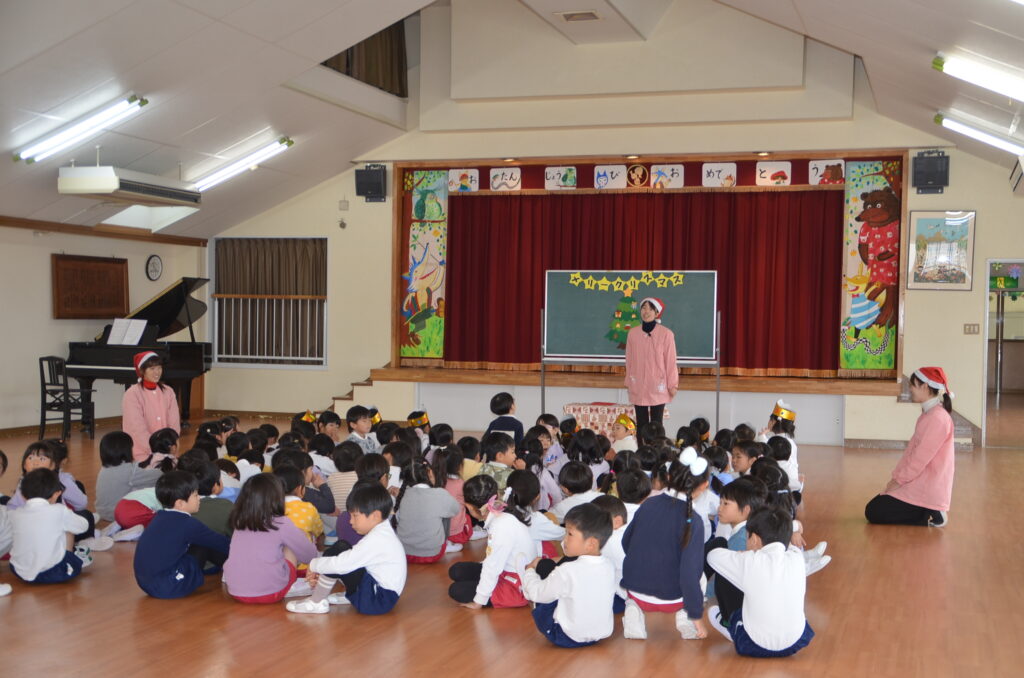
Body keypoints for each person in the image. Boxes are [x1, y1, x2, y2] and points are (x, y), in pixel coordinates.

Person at [706, 506, 815, 657]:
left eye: (747, 537)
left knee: (725, 576)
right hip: (796, 643)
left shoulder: (750, 560)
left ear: (755, 539)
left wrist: (741, 554)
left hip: (752, 645)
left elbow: (713, 556)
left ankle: (730, 627)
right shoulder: (796, 557)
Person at [620, 456, 709, 641]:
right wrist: (696, 614)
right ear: (704, 485)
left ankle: (632, 608)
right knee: (699, 575)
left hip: (636, 591)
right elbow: (689, 572)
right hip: (674, 599)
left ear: (668, 475)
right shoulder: (694, 520)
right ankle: (686, 616)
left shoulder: (648, 505)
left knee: (637, 589)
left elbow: (625, 542)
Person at [287, 483, 407, 615]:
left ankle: (316, 602)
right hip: (381, 595)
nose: (351, 521)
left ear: (375, 516)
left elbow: (342, 565)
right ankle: (349, 595)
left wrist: (314, 564)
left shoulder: (377, 540)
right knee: (342, 550)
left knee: (339, 553)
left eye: (355, 516)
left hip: (375, 601)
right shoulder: (383, 531)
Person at [865, 367, 956, 527]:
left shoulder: (937, 418)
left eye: (913, 385)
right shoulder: (930, 414)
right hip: (916, 482)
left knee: (873, 511)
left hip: (926, 488)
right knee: (874, 508)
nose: (910, 390)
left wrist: (899, 481)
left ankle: (930, 511)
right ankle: (925, 510)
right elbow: (911, 453)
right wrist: (896, 478)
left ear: (925, 387)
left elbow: (919, 459)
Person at [521, 503, 616, 648]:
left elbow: (537, 593)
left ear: (591, 544)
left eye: (570, 534)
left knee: (540, 595)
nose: (564, 540)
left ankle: (526, 582)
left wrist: (528, 572)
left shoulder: (567, 570)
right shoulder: (609, 566)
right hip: (600, 634)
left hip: (565, 636)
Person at [222, 473, 318, 603]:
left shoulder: (240, 523)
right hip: (272, 592)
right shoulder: (281, 522)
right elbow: (309, 556)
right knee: (291, 542)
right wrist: (305, 536)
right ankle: (291, 583)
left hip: (235, 590)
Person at [132, 471, 230, 599]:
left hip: (147, 584)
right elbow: (223, 544)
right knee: (205, 544)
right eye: (195, 495)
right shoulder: (188, 524)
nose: (199, 499)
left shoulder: (159, 517)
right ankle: (235, 571)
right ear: (180, 503)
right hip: (169, 586)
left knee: (201, 542)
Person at [447, 474, 538, 608]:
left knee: (456, 590)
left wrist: (479, 600)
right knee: (456, 570)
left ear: (470, 507)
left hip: (516, 583)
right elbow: (494, 561)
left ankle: (489, 592)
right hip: (505, 570)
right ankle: (486, 586)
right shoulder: (501, 515)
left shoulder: (500, 525)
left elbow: (493, 566)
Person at [8, 469, 90, 584]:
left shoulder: (16, 513)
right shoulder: (59, 510)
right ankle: (72, 556)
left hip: (18, 571)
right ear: (57, 494)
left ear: (23, 495)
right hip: (53, 572)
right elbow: (83, 526)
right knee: (69, 529)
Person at [95, 431, 163, 539]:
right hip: (117, 513)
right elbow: (157, 476)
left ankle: (118, 526)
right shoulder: (129, 470)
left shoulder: (104, 468)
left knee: (136, 486)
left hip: (102, 511)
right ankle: (130, 530)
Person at [624, 297, 678, 430]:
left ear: (656, 312)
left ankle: (658, 451)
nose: (646, 311)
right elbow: (629, 360)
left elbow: (671, 361)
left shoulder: (666, 334)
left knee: (656, 424)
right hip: (639, 384)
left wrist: (672, 384)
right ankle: (642, 450)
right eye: (643, 308)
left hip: (658, 384)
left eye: (650, 308)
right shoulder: (633, 333)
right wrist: (628, 381)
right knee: (641, 423)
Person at [393, 459, 460, 563]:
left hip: (405, 552)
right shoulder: (439, 493)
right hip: (433, 553)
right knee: (447, 511)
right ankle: (446, 544)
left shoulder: (404, 493)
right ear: (429, 472)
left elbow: (398, 517)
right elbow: (456, 509)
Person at [121, 351, 181, 462]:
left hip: (168, 451)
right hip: (142, 454)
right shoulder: (132, 394)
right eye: (152, 369)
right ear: (142, 371)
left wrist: (172, 443)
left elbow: (174, 422)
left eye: (159, 368)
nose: (157, 372)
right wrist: (156, 450)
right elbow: (136, 428)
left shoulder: (168, 391)